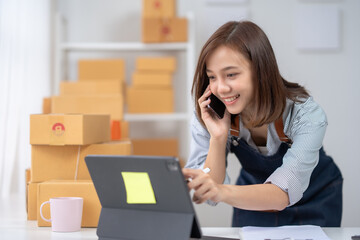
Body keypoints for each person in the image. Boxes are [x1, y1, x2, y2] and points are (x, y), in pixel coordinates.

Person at [182, 21, 343, 227]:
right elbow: (210, 190)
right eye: (212, 77)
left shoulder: (305, 114)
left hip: (316, 197)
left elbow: (281, 194)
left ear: (261, 71)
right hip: (251, 197)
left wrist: (220, 191)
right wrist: (218, 137)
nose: (220, 88)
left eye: (231, 74)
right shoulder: (211, 115)